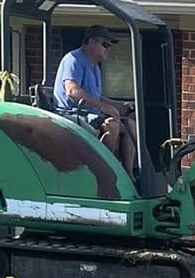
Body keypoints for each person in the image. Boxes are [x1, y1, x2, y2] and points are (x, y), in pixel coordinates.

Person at [54, 25, 137, 172]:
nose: (108, 49)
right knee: (112, 126)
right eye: (105, 44)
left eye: (110, 46)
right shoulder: (74, 59)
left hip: (90, 115)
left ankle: (129, 174)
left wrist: (121, 105)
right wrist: (102, 107)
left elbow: (97, 97)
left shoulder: (95, 67)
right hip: (70, 114)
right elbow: (72, 91)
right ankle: (102, 171)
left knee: (130, 126)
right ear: (91, 42)